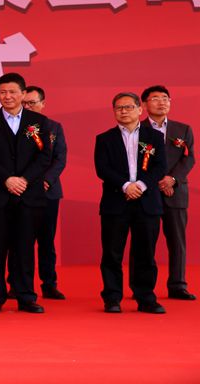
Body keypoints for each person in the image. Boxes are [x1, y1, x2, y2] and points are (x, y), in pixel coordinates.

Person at [0, 72, 52, 314]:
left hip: (29, 195)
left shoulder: (39, 121)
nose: (7, 96)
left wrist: (24, 180)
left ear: (23, 93)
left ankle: (26, 296)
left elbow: (45, 156)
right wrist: (7, 179)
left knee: (25, 247)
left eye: (12, 92)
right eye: (2, 92)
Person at [94, 92, 166, 313]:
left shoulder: (154, 137)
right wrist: (126, 186)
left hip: (147, 202)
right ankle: (112, 298)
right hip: (116, 202)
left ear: (140, 109)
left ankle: (146, 298)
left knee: (145, 252)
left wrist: (141, 186)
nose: (123, 111)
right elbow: (102, 169)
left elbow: (160, 167)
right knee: (112, 253)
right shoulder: (105, 138)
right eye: (119, 108)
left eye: (128, 107)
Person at [141, 85, 195, 300]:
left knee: (177, 241)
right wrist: (156, 181)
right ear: (144, 104)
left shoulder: (183, 130)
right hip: (147, 192)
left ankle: (178, 285)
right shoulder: (137, 128)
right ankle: (142, 286)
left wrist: (172, 179)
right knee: (144, 242)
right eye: (155, 98)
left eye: (165, 98)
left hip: (176, 192)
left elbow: (188, 158)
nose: (162, 102)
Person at [18, 85, 67, 300]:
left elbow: (60, 158)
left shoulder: (53, 127)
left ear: (43, 104)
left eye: (32, 103)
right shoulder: (16, 126)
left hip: (48, 191)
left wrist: (45, 181)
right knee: (20, 241)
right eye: (24, 103)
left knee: (46, 241)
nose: (28, 107)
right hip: (21, 190)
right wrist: (27, 182)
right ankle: (17, 284)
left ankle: (49, 284)